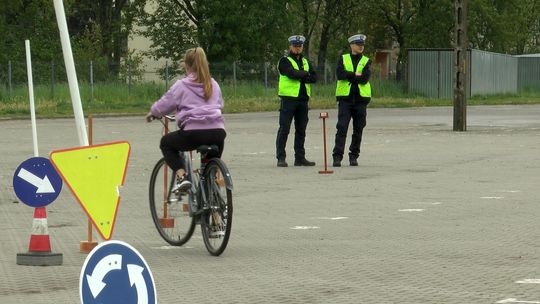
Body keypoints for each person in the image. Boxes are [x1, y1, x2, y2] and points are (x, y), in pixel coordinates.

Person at [146, 47, 226, 192]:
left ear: (187, 66)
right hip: (218, 133)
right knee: (207, 170)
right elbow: (220, 105)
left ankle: (182, 177)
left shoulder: (182, 85)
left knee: (166, 143)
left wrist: (153, 113)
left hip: (193, 133)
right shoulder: (213, 84)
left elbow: (165, 103)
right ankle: (211, 189)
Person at [275, 34, 317, 167]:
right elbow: (290, 73)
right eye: (295, 46)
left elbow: (314, 77)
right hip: (289, 99)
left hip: (303, 100)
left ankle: (300, 157)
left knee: (301, 129)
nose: (298, 48)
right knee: (284, 128)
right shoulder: (284, 60)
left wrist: (300, 75)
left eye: (300, 46)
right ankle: (281, 157)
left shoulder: (306, 61)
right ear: (290, 46)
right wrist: (305, 74)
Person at [332, 34, 372, 167]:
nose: (361, 47)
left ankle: (353, 156)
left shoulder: (366, 60)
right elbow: (340, 74)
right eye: (358, 45)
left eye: (362, 45)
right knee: (342, 128)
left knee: (358, 129)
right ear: (351, 46)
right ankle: (337, 156)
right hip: (345, 100)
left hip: (361, 100)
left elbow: (365, 78)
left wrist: (349, 75)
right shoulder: (343, 58)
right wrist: (355, 75)